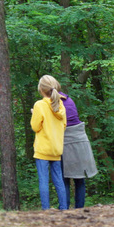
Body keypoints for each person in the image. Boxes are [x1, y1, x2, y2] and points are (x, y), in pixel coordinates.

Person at [31, 75, 68, 210]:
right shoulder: (60, 105)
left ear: (41, 89)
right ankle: (64, 208)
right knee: (59, 180)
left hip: (43, 149)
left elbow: (35, 127)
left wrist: (34, 114)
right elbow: (64, 126)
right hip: (56, 149)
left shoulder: (39, 105)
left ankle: (46, 210)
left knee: (43, 180)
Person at [59, 89, 98, 209]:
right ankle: (79, 209)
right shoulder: (69, 100)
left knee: (64, 179)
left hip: (65, 141)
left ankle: (64, 209)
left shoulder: (51, 102)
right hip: (80, 139)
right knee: (79, 179)